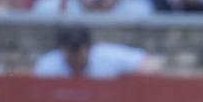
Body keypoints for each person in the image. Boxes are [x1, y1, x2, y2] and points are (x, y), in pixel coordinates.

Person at [32, 25, 164, 79]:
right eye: (69, 50)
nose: (73, 55)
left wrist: (127, 80)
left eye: (77, 49)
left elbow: (154, 63)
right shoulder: (49, 64)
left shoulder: (107, 56)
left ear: (89, 48)